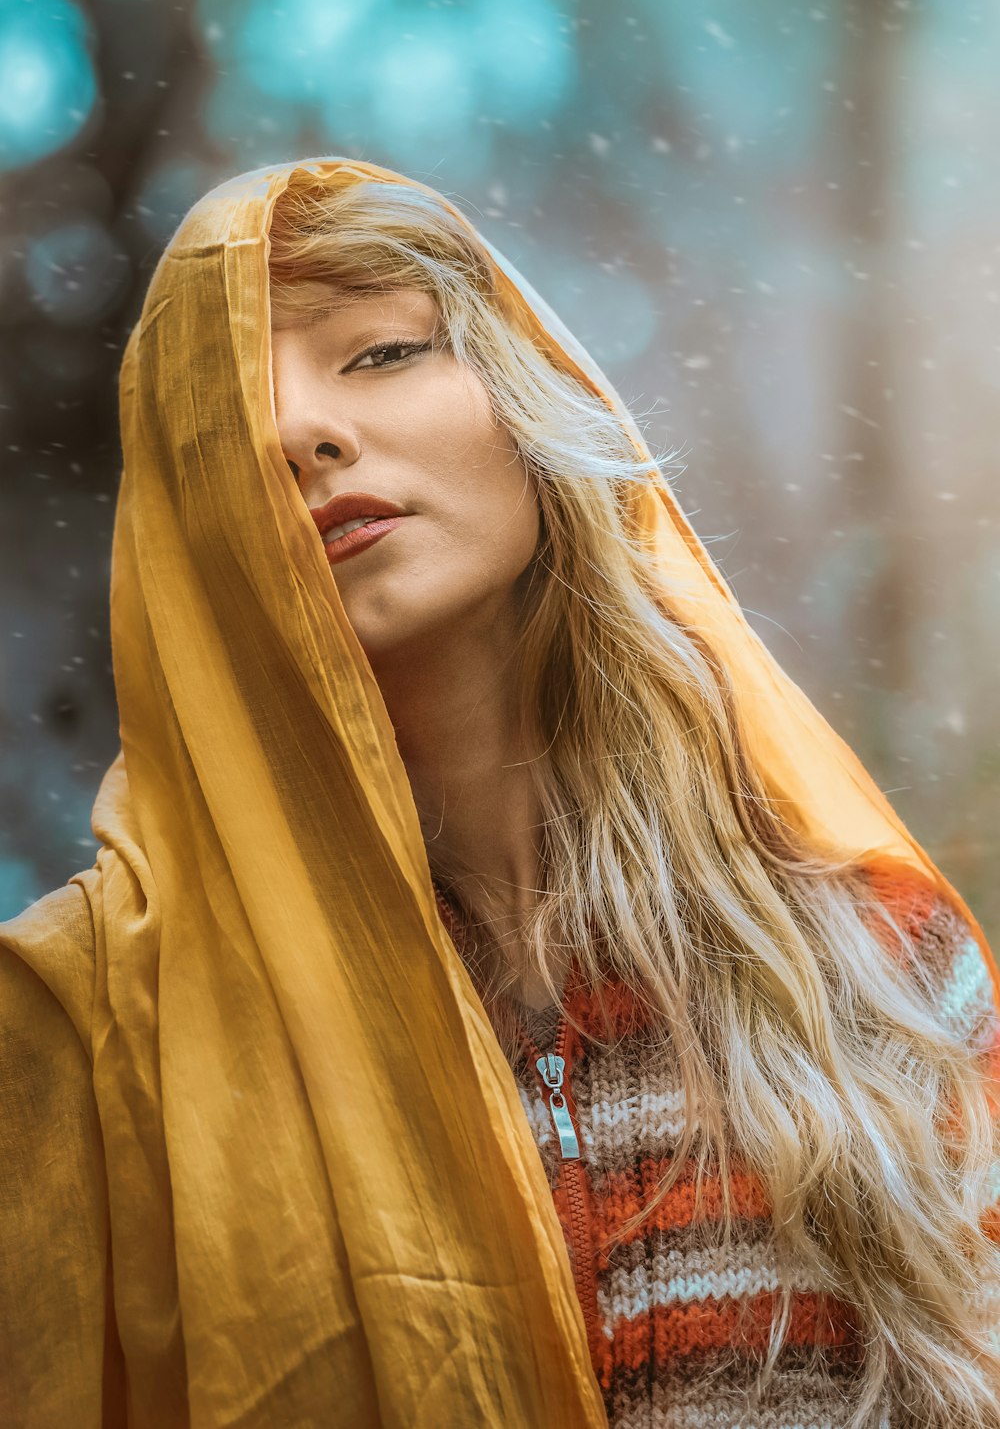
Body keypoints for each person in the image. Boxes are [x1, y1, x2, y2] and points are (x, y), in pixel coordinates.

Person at [1, 157, 998, 1429]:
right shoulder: (81, 1041)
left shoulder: (876, 964)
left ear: (526, 400)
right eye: (226, 417)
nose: (301, 429)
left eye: (377, 353)